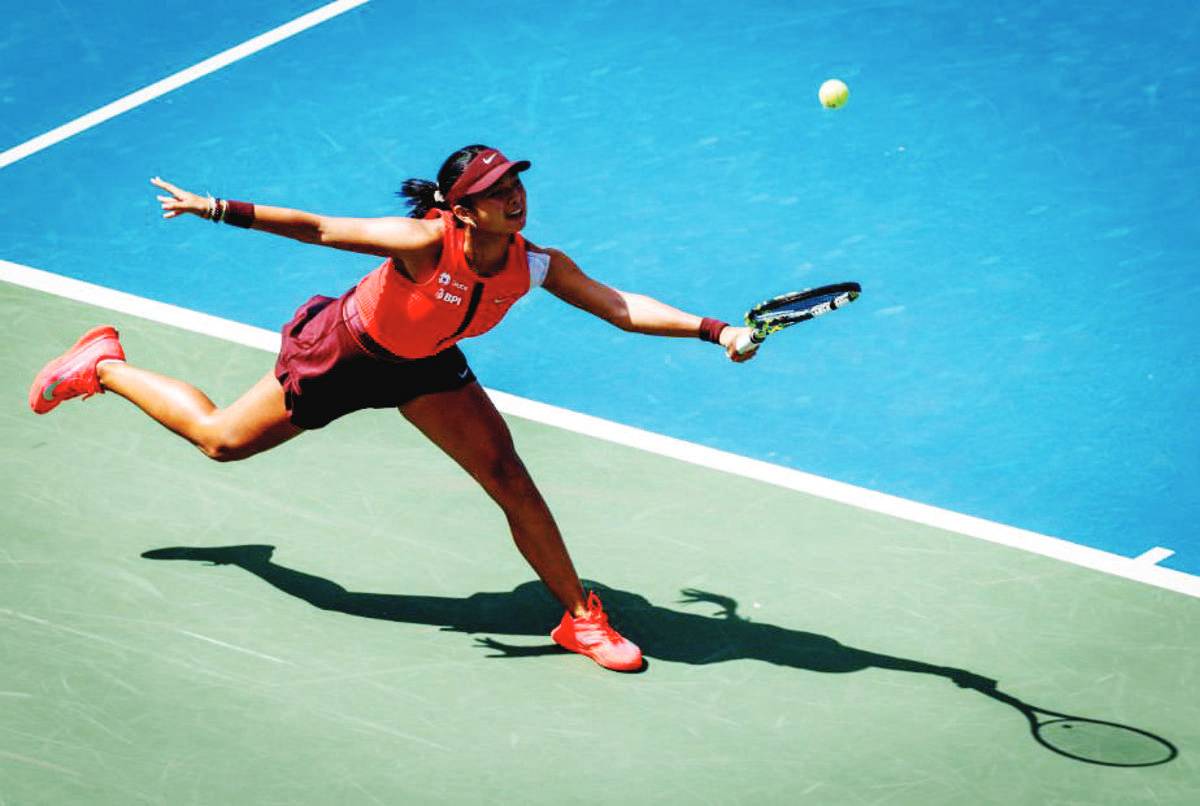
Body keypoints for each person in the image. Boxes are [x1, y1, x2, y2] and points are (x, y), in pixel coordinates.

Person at [28, 144, 755, 672]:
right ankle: (105, 366)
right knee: (221, 442)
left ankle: (579, 617)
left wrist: (714, 329)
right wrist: (220, 209)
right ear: (461, 207)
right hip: (346, 355)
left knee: (509, 476)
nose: (515, 196)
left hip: (428, 367)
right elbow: (318, 228)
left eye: (516, 183)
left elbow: (620, 307)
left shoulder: (537, 263)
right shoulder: (421, 243)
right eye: (497, 188)